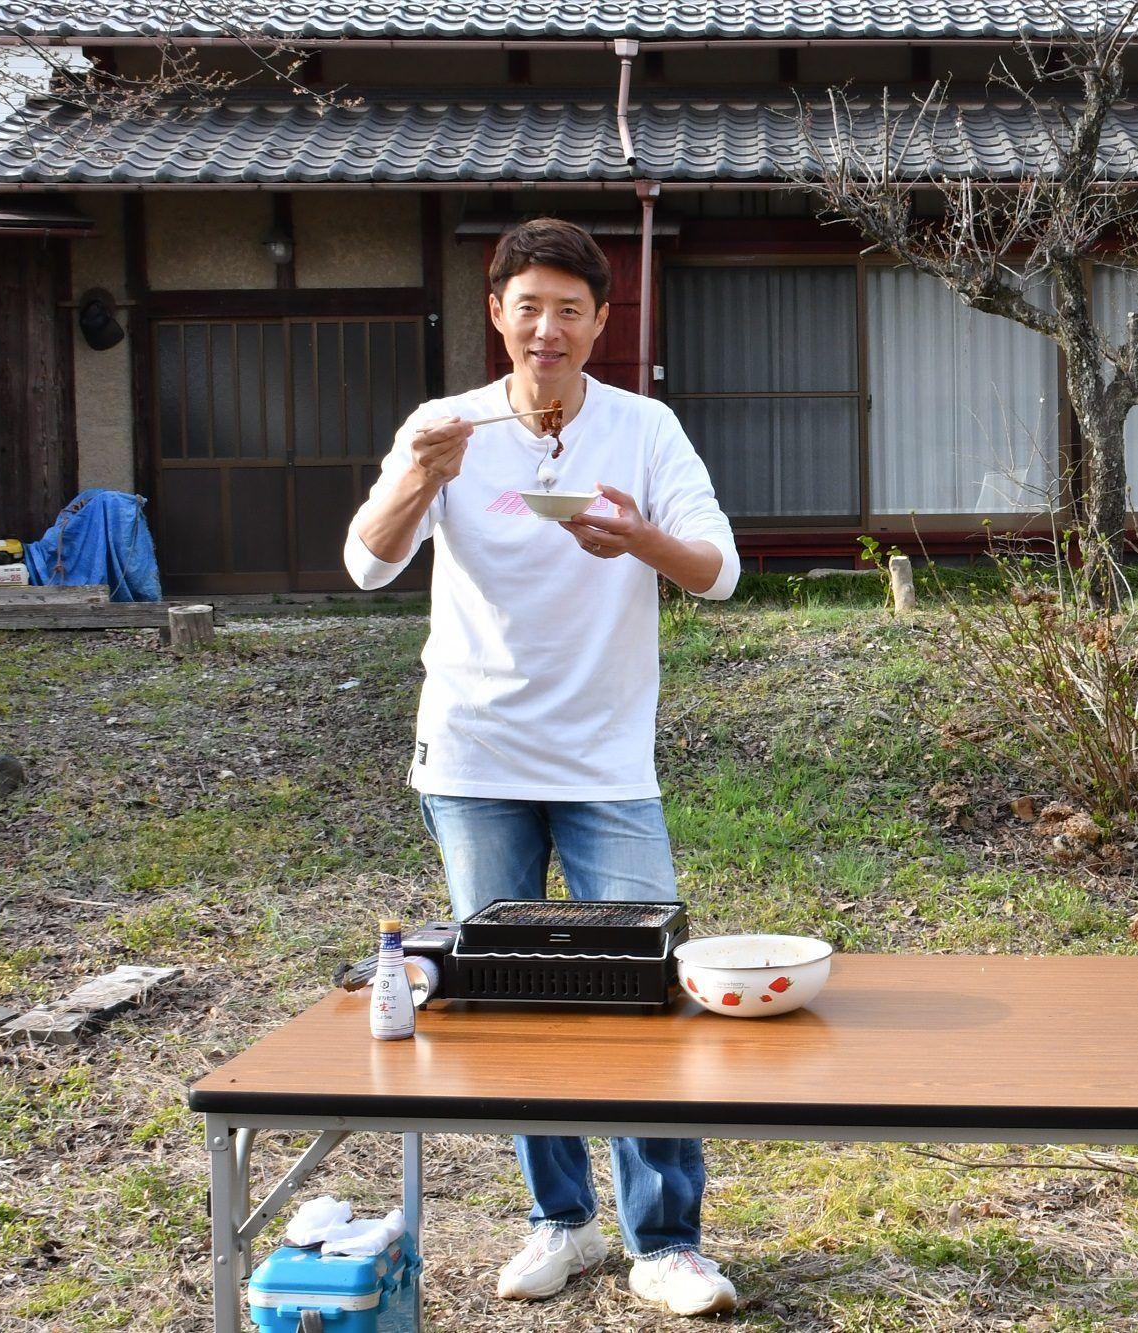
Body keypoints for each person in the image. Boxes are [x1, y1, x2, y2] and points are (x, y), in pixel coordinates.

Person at [343, 217, 742, 1317]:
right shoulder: (445, 425)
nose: (547, 327)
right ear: (496, 314)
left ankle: (666, 1237)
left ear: (601, 323)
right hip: (473, 753)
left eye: (571, 307)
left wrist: (639, 541)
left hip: (607, 757)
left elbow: (718, 572)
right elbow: (367, 565)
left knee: (648, 990)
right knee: (506, 997)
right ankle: (558, 1220)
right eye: (528, 305)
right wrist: (419, 478)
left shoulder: (644, 428)